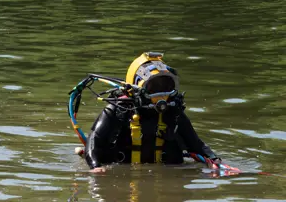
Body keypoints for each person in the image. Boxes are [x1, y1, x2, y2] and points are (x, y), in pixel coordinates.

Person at [84, 52, 219, 172]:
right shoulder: (119, 109)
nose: (160, 94)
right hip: (124, 169)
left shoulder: (173, 112)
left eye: (166, 87)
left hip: (167, 174)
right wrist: (95, 165)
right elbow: (94, 141)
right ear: (137, 87)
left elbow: (196, 145)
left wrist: (216, 162)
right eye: (153, 87)